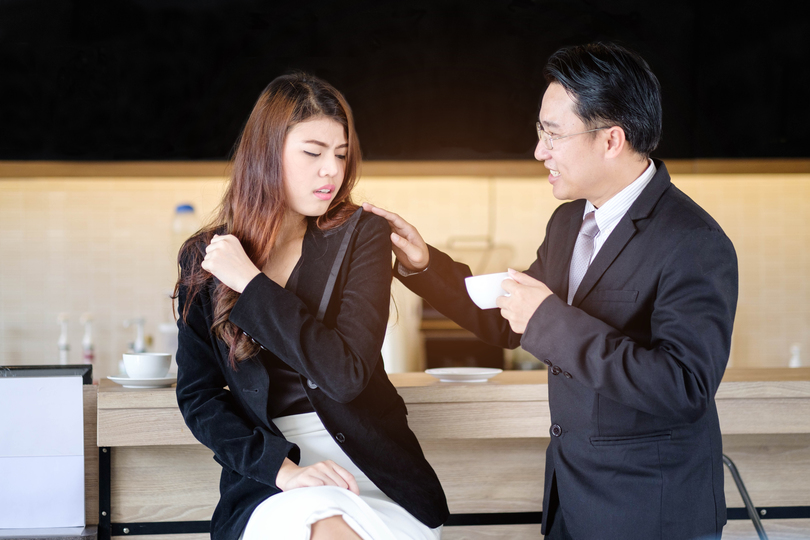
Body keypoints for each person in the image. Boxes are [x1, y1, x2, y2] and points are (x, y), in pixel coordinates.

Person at [365, 42, 738, 540]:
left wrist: (546, 318)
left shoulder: (693, 241)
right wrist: (425, 265)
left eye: (553, 134)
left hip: (651, 515)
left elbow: (684, 387)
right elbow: (511, 318)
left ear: (611, 140)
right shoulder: (568, 221)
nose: (540, 151)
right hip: (571, 504)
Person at [174, 72, 448, 540]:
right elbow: (199, 397)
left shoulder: (361, 235)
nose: (331, 171)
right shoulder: (207, 255)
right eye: (313, 152)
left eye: (340, 154)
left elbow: (346, 375)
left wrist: (252, 285)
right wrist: (283, 471)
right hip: (272, 480)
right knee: (320, 524)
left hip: (375, 476)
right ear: (267, 153)